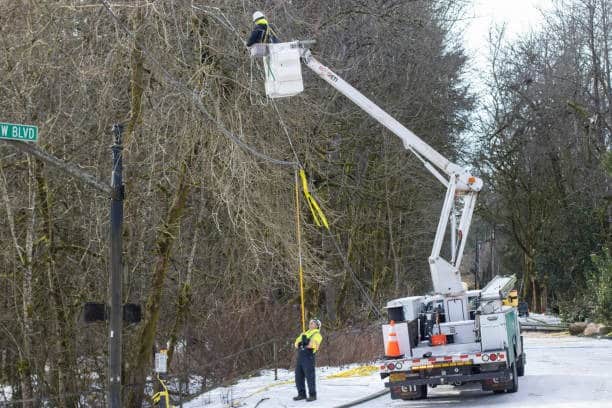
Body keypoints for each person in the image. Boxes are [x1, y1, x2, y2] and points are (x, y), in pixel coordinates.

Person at [293, 318, 323, 402]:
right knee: (298, 376)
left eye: (313, 323)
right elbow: (296, 343)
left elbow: (315, 345)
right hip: (300, 357)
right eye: (310, 323)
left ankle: (312, 395)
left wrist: (307, 342)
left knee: (310, 377)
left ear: (317, 326)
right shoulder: (304, 333)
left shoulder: (317, 334)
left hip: (308, 358)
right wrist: (299, 343)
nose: (310, 325)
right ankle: (301, 394)